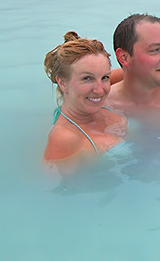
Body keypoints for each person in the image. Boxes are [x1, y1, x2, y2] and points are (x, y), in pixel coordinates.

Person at [43, 31, 128, 173]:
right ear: (63, 83)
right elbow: (60, 189)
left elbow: (134, 72)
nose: (100, 90)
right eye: (87, 78)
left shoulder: (89, 105)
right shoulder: (63, 138)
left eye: (105, 77)